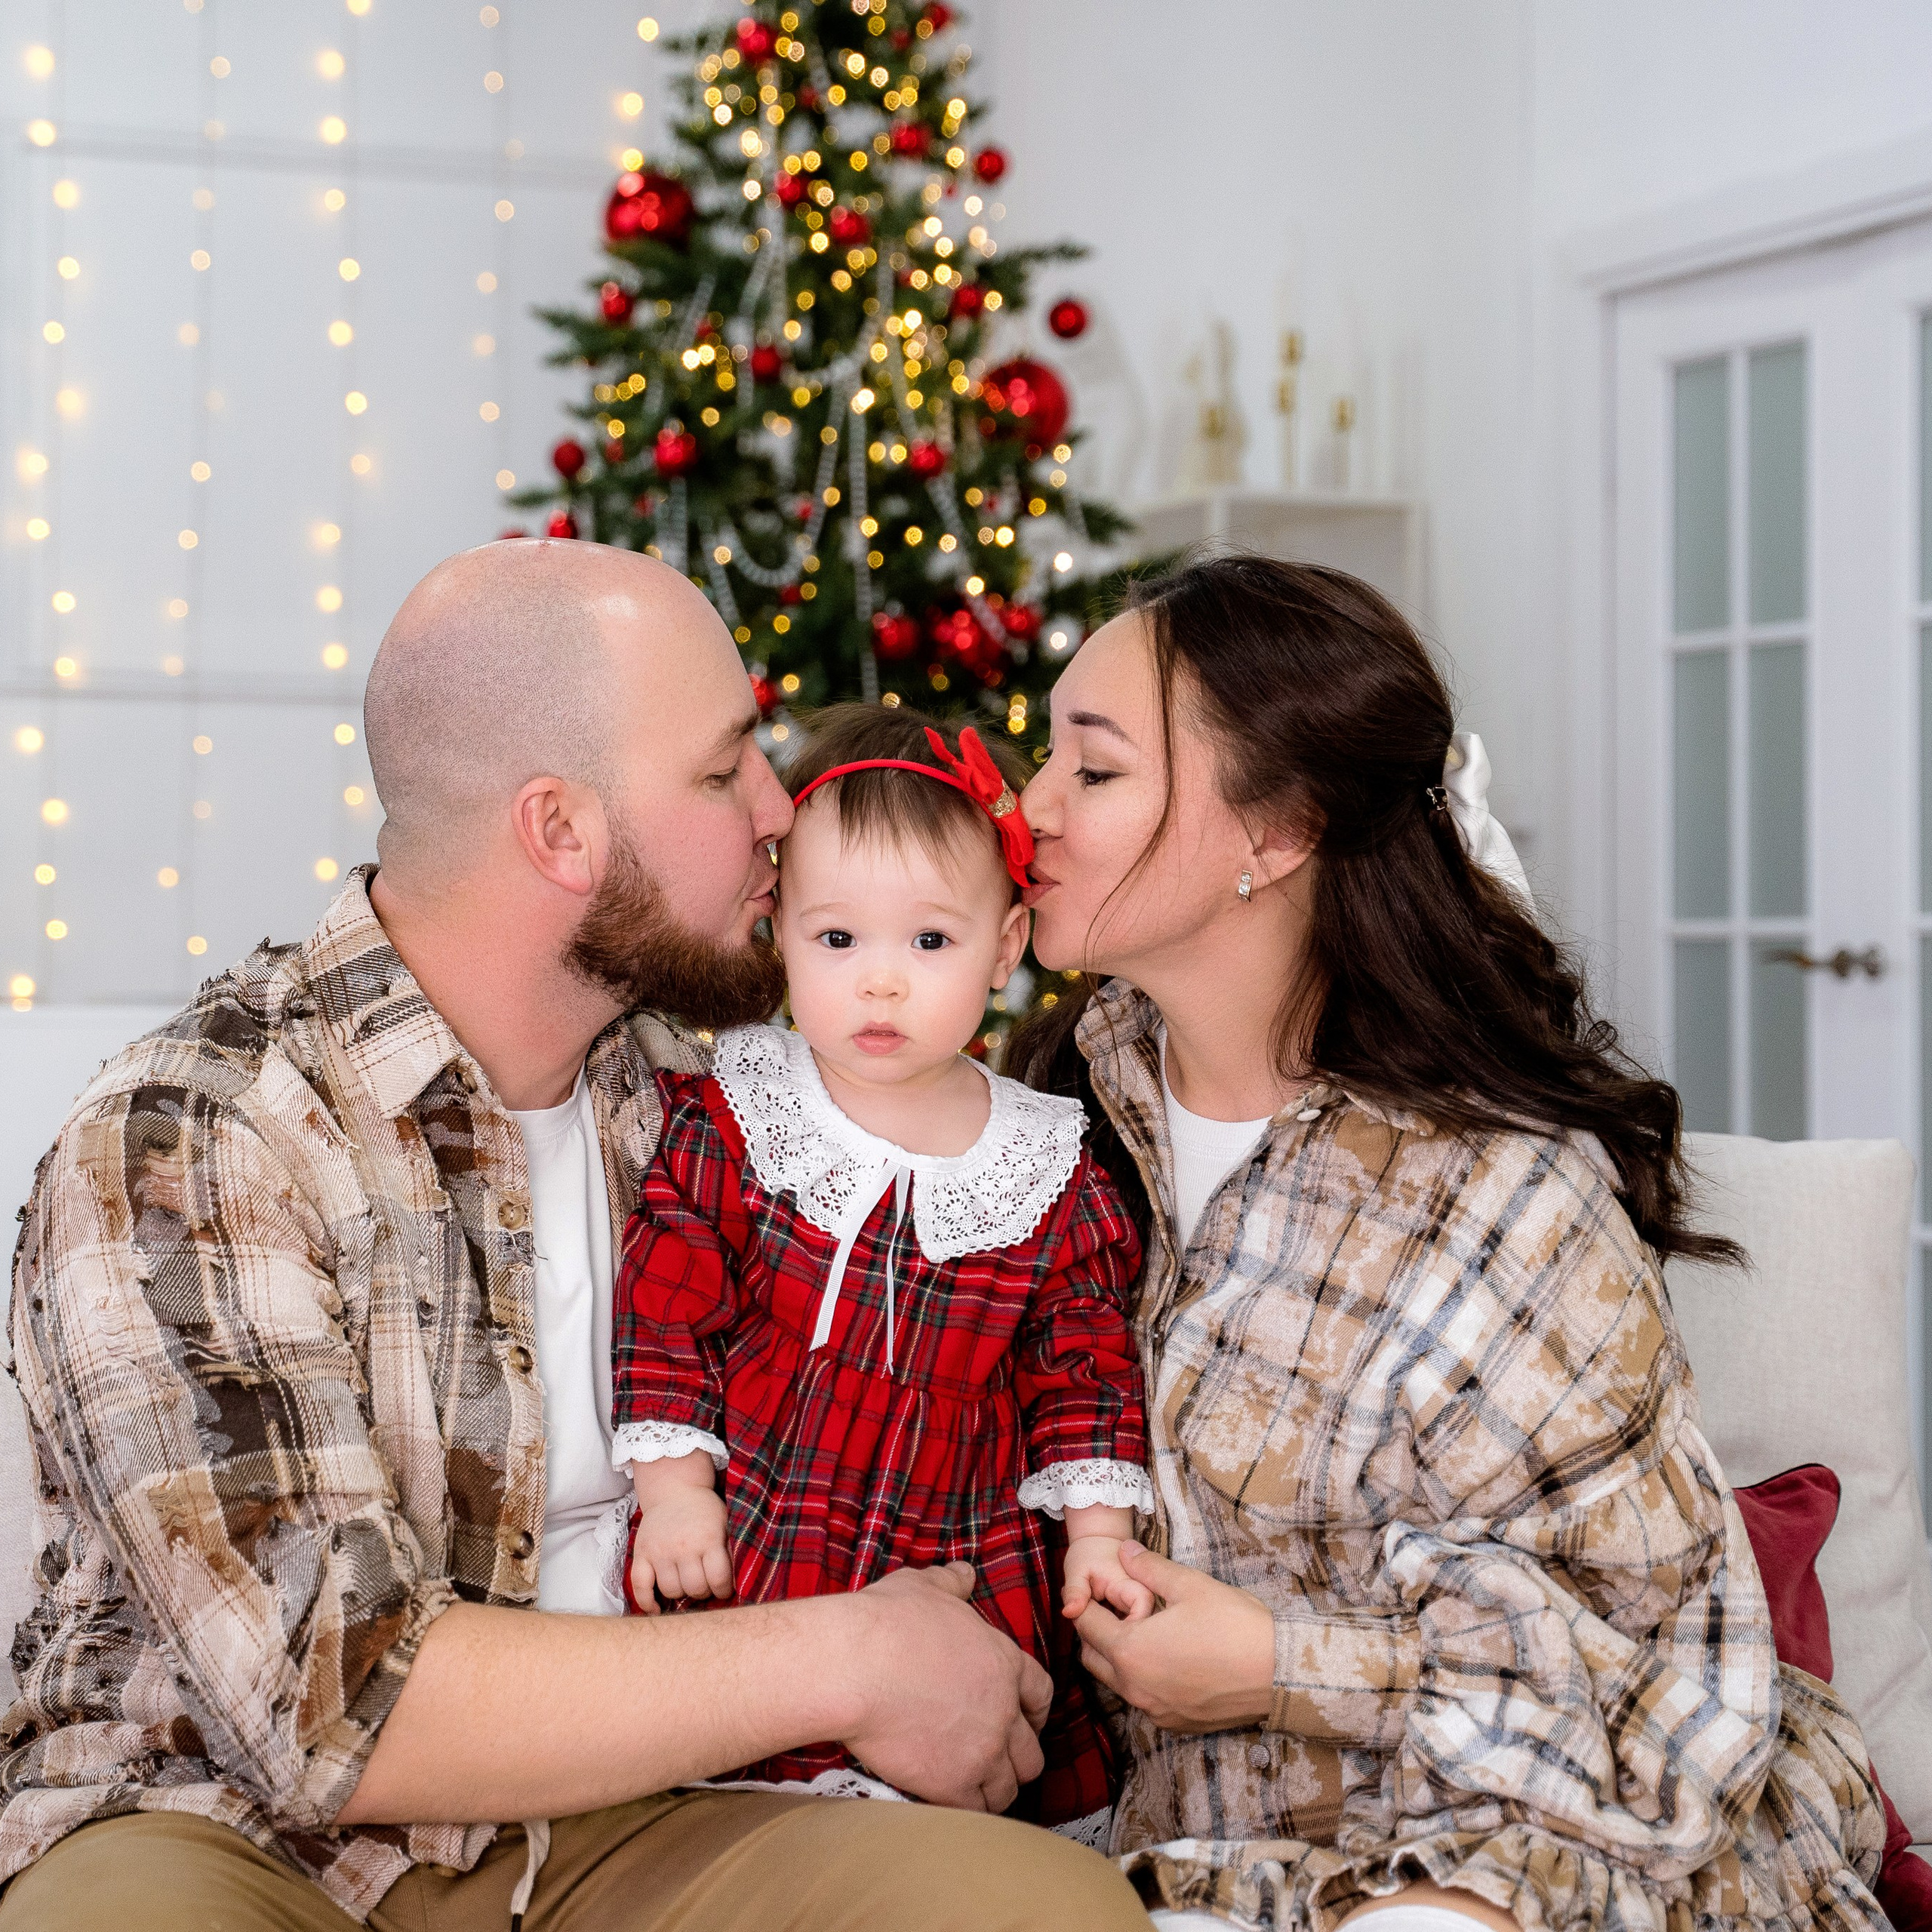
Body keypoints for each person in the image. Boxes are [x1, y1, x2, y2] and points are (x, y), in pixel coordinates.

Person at [0, 541, 1154, 1932]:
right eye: (727, 770)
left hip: (652, 1816)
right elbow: (337, 1702)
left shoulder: (706, 1103)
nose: (783, 811)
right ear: (560, 832)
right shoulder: (192, 1138)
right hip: (233, 1832)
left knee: (1047, 1917)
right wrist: (850, 1662)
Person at [1004, 553, 1887, 1932]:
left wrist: (1288, 1666)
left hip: (1535, 1854)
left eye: (1093, 771)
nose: (1028, 810)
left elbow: (1658, 1690)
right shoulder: (1033, 1139)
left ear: (1275, 832)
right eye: (1041, 758)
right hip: (1181, 1866)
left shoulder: (1501, 1203)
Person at [613, 703, 1153, 1835]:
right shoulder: (745, 1116)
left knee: (961, 1830)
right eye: (838, 940)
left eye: (931, 942)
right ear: (782, 935)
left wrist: (1097, 1534)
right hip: (772, 1527)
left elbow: (1083, 1367)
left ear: (1006, 947)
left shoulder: (1047, 1162)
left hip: (962, 1541)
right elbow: (669, 1310)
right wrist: (673, 1494)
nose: (880, 985)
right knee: (752, 1814)